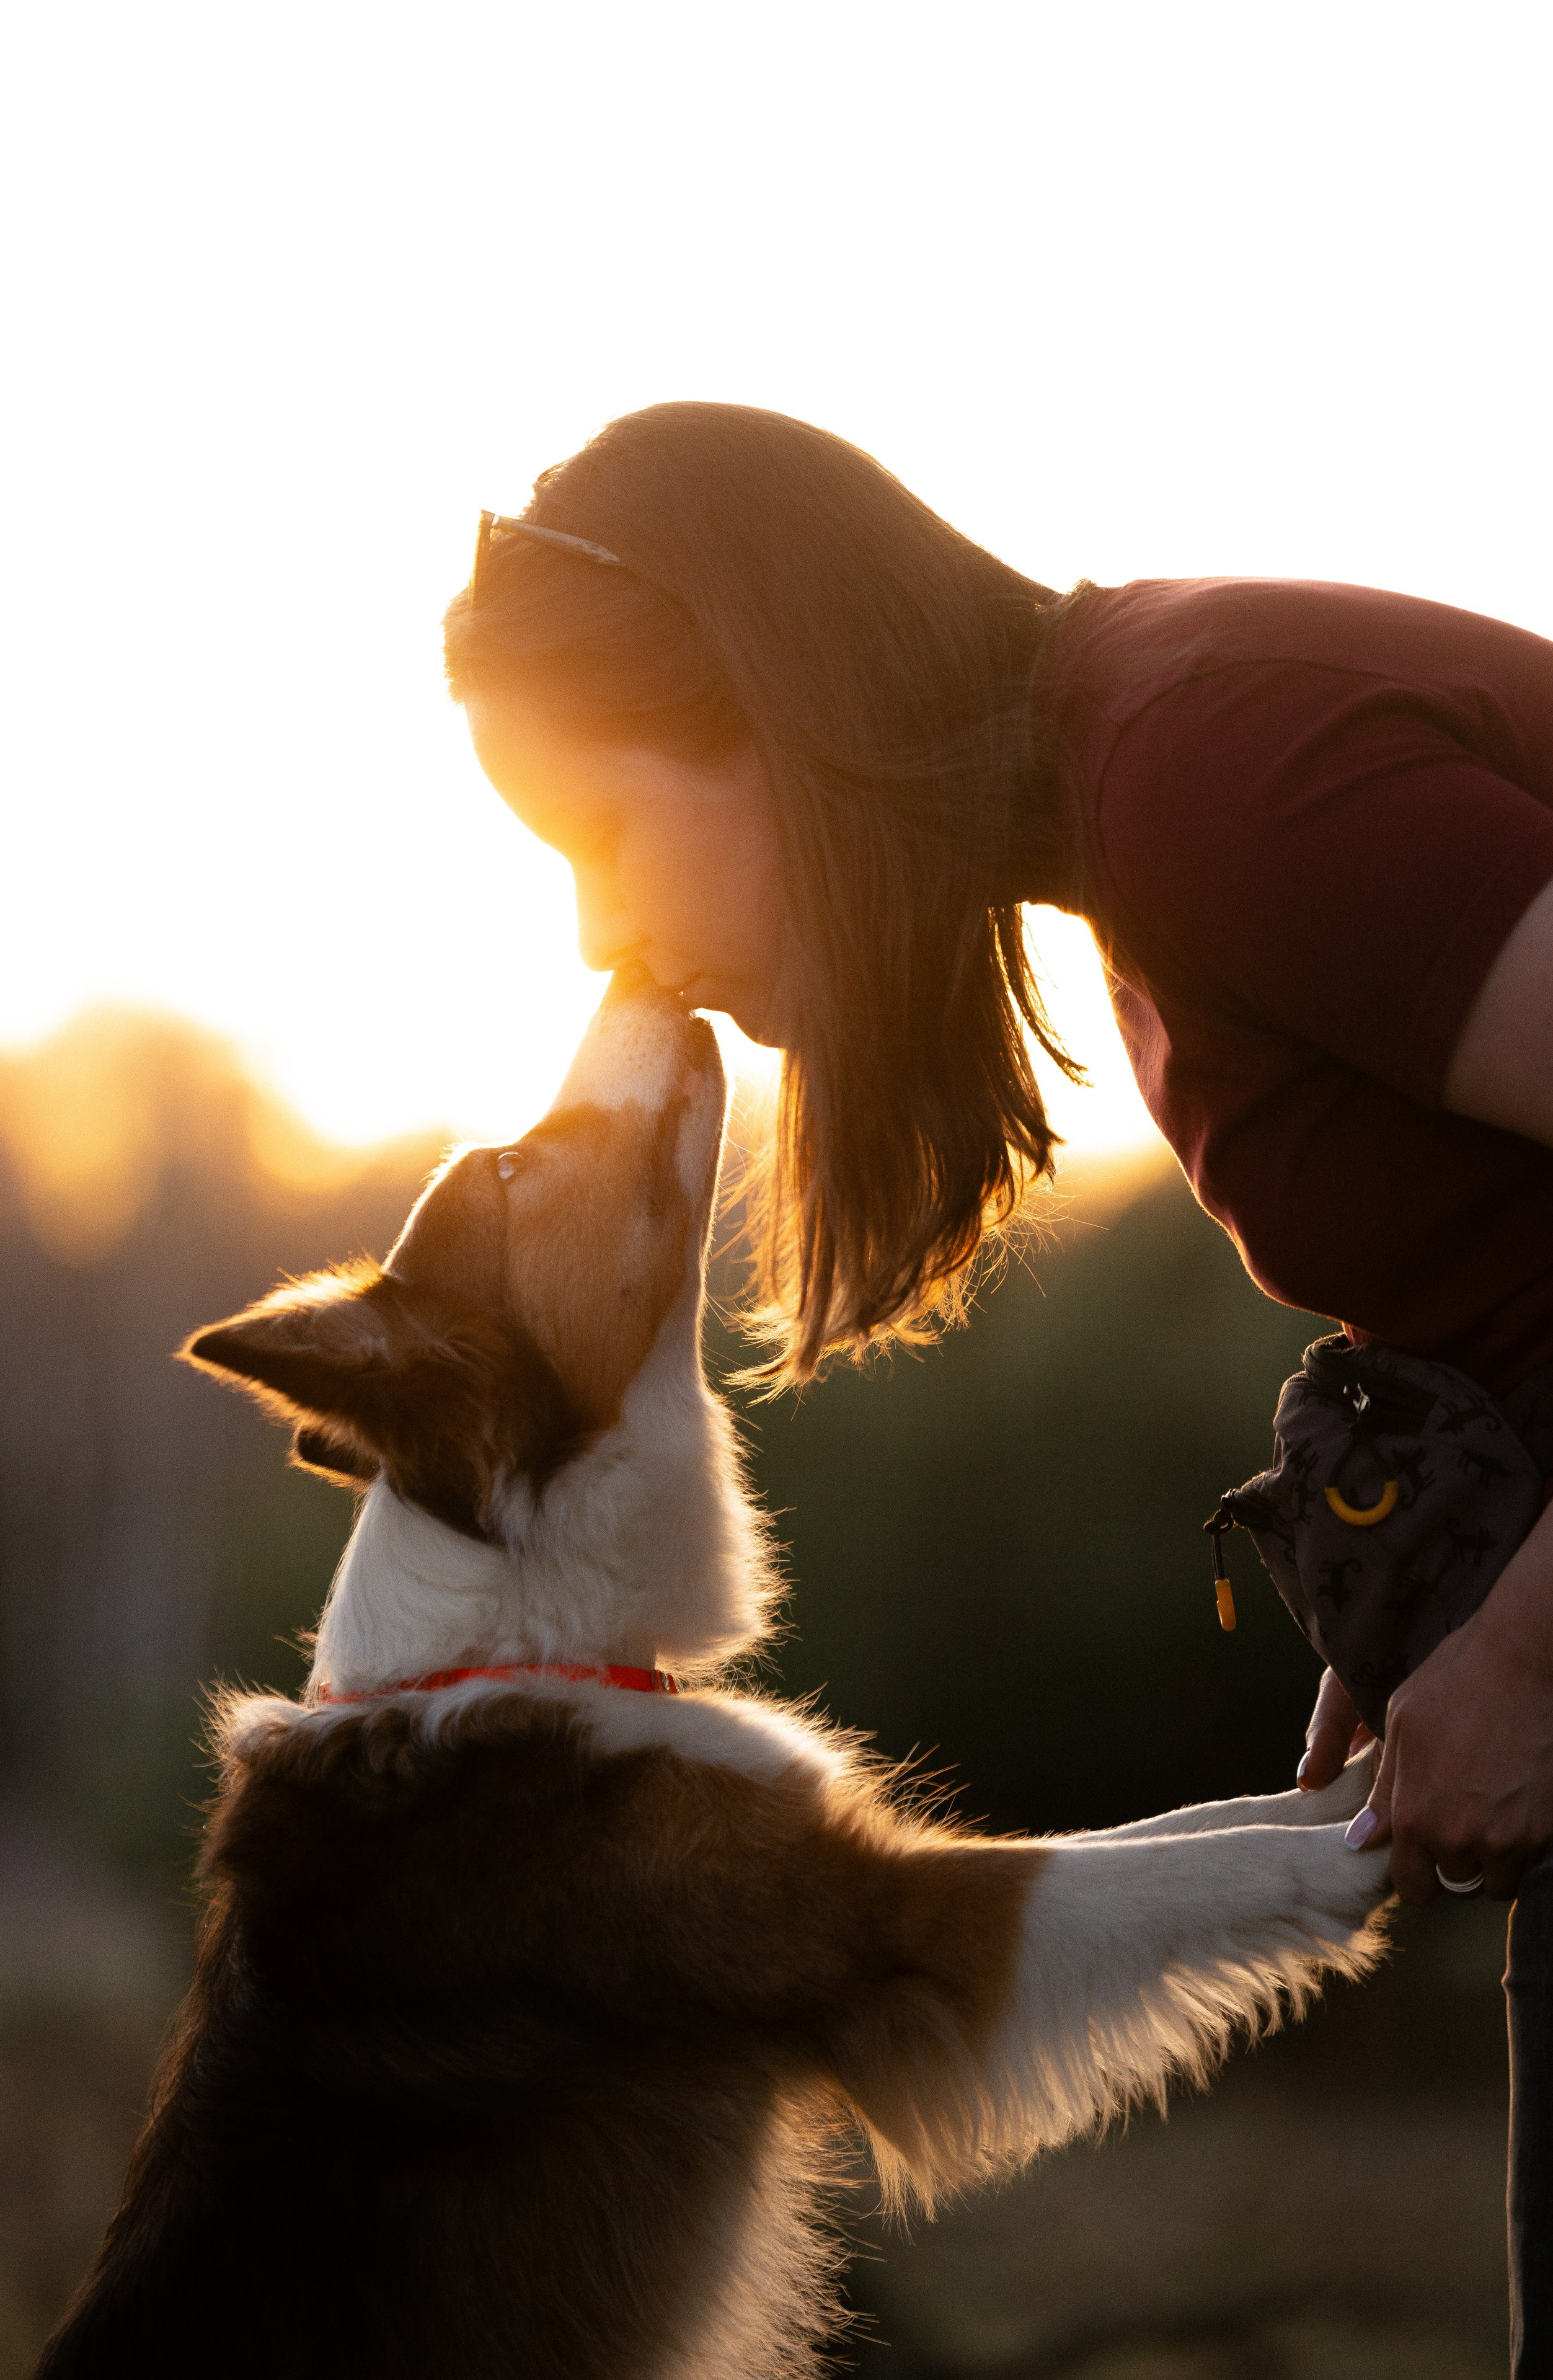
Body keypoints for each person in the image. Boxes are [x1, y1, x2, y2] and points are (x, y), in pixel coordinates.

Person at [441, 401, 1553, 2366]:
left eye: (604, 834)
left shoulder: (1206, 770)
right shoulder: (1146, 806)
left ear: (772, 703)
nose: (608, 933)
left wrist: (1537, 1650)